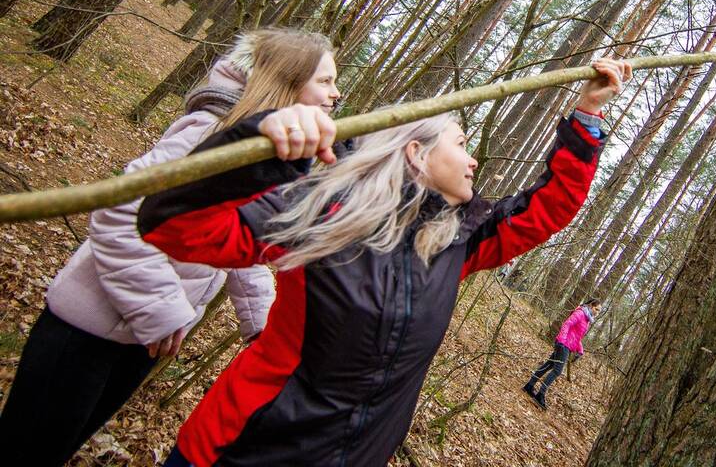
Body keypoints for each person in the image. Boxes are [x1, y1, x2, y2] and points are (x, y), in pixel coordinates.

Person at [137, 58, 632, 467]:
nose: (474, 161)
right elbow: (173, 228)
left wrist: (588, 113)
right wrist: (255, 144)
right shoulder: (324, 211)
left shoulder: (455, 240)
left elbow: (547, 209)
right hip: (239, 453)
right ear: (416, 153)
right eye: (462, 145)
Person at [0, 28, 340, 467]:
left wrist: (258, 319)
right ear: (288, 80)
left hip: (141, 339)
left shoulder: (257, 152)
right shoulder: (210, 133)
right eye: (325, 81)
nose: (335, 94)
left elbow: (236, 236)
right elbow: (120, 211)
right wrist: (162, 313)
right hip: (88, 331)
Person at [523, 298, 602, 410]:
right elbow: (567, 324)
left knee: (549, 365)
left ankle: (529, 386)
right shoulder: (580, 313)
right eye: (596, 309)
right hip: (563, 344)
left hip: (567, 345)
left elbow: (577, 336)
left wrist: (580, 350)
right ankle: (540, 394)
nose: (597, 312)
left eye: (599, 311)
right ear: (590, 305)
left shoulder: (586, 319)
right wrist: (562, 340)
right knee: (557, 371)